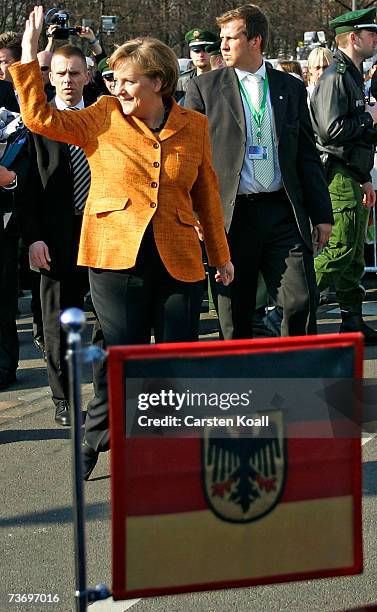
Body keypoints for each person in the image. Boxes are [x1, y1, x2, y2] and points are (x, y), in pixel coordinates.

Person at [13, 5, 233, 479]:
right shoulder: (103, 116)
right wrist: (29, 59)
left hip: (177, 257)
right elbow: (38, 118)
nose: (118, 87)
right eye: (113, 78)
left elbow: (207, 193)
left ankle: (170, 455)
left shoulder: (192, 125)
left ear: (158, 81)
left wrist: (220, 255)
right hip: (115, 257)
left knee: (175, 362)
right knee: (120, 359)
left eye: (128, 79)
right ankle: (94, 440)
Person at [185, 3, 333, 340]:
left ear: (256, 41)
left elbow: (306, 156)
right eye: (221, 38)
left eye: (230, 38)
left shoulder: (290, 88)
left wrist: (322, 214)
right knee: (234, 313)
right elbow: (188, 158)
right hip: (232, 217)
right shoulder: (205, 89)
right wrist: (195, 213)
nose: (221, 46)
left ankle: (294, 375)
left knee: (300, 299)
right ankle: (243, 383)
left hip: (282, 212)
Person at [17, 44, 93, 427]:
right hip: (55, 238)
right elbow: (27, 189)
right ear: (50, 77)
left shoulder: (103, 118)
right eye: (60, 73)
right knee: (57, 324)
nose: (68, 80)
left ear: (88, 77)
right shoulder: (37, 123)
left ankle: (105, 393)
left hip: (101, 236)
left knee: (113, 320)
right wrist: (34, 238)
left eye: (75, 73)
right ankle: (64, 397)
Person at [310, 8, 377, 344]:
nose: (375, 39)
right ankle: (281, 312)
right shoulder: (336, 77)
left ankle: (352, 322)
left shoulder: (350, 75)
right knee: (338, 251)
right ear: (353, 38)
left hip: (352, 174)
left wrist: (364, 176)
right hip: (337, 176)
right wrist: (368, 118)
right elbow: (330, 130)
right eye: (370, 33)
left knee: (352, 259)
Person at [175, 28, 218, 102]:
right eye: (196, 51)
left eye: (205, 50)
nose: (201, 55)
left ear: (213, 52)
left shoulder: (223, 80)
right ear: (190, 54)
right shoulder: (181, 82)